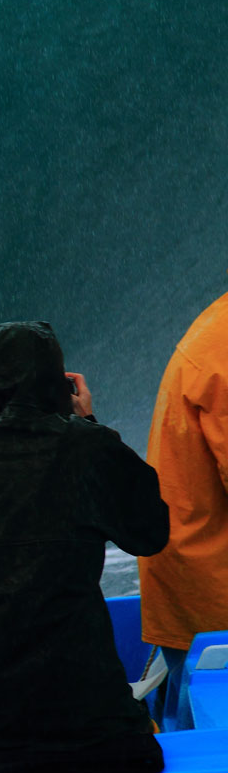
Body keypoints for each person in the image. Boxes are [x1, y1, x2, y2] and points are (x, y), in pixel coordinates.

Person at [0, 321, 169, 773]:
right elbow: (149, 532)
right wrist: (86, 423)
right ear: (58, 383)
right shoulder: (88, 447)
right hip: (89, 716)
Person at [138, 291, 228, 729]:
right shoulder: (223, 347)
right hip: (215, 596)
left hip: (186, 580)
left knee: (187, 730)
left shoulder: (216, 329)